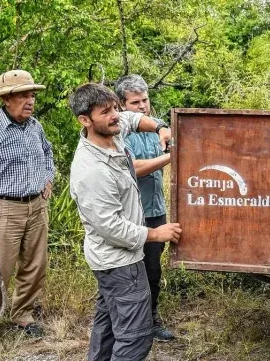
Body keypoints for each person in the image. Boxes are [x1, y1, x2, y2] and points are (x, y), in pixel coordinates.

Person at [68, 83, 182, 361]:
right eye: (105, 112)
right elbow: (108, 226)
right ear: (85, 120)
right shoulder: (92, 170)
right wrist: (155, 234)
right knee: (135, 337)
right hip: (119, 263)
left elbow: (131, 118)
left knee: (107, 328)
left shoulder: (112, 136)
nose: (115, 115)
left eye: (115, 108)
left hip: (116, 261)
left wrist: (160, 128)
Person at [114, 74, 174, 341]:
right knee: (127, 270)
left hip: (155, 209)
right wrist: (170, 157)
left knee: (153, 268)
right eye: (135, 102)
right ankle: (126, 323)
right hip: (131, 213)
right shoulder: (120, 131)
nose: (142, 106)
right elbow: (134, 168)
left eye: (145, 100)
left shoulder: (154, 128)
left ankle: (150, 319)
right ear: (121, 104)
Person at [0, 69, 55, 338]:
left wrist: (48, 178)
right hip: (5, 207)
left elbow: (47, 152)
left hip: (36, 205)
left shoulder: (35, 126)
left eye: (32, 95)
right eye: (23, 95)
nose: (30, 101)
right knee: (1, 268)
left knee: (35, 264)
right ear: (7, 100)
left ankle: (23, 314)